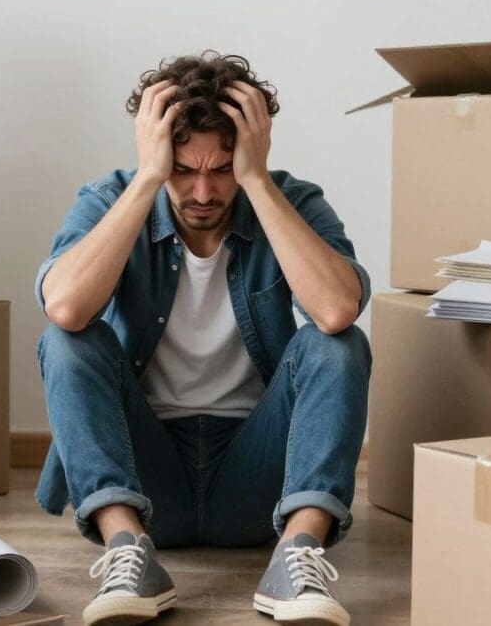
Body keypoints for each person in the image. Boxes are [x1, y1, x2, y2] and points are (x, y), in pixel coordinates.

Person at [32, 50, 371, 626]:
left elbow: (338, 309)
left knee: (338, 345)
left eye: (222, 169)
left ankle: (297, 554)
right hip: (146, 481)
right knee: (67, 338)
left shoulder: (292, 200)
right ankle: (127, 552)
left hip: (257, 479)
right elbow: (65, 304)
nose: (204, 192)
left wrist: (258, 182)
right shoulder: (110, 197)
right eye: (184, 170)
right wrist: (146, 180)